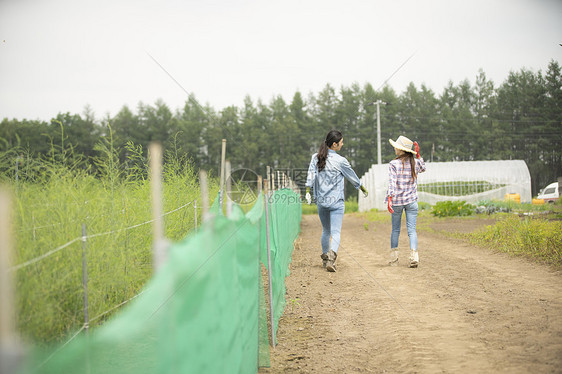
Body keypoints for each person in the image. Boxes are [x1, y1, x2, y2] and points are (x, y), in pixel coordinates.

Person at [305, 130, 368, 272]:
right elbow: (351, 176)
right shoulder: (341, 161)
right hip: (336, 202)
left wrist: (308, 191)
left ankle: (325, 260)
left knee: (325, 231)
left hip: (322, 201)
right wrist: (361, 187)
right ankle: (332, 258)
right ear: (334, 144)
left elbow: (311, 174)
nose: (342, 144)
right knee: (336, 232)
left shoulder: (316, 158)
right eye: (341, 142)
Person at [385, 135, 426, 268]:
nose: (395, 149)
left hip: (397, 201)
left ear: (401, 150)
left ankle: (394, 259)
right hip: (412, 201)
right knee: (412, 230)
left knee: (395, 230)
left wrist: (389, 198)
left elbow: (392, 183)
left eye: (397, 147)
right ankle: (414, 256)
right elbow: (423, 168)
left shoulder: (393, 164)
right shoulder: (415, 162)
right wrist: (418, 155)